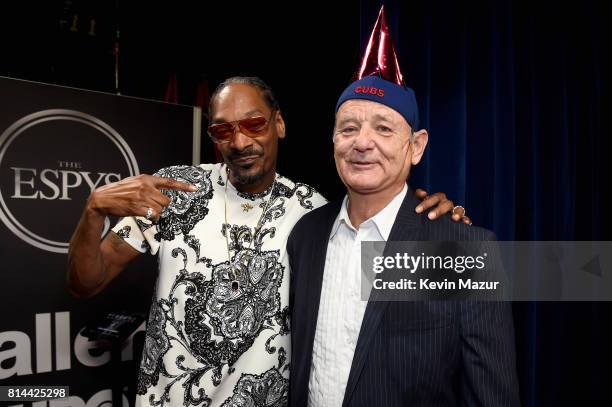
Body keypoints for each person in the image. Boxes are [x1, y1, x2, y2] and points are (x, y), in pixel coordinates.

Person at [67, 76, 466, 406]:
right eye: (223, 129)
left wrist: (432, 220)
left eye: (254, 124)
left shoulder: (314, 212)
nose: (239, 142)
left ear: (279, 124)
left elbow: (378, 305)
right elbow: (85, 283)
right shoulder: (177, 190)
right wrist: (93, 213)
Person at [287, 7, 519, 407]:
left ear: (416, 146)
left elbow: (492, 394)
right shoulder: (305, 234)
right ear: (333, 141)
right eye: (348, 128)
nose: (362, 142)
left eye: (383, 127)